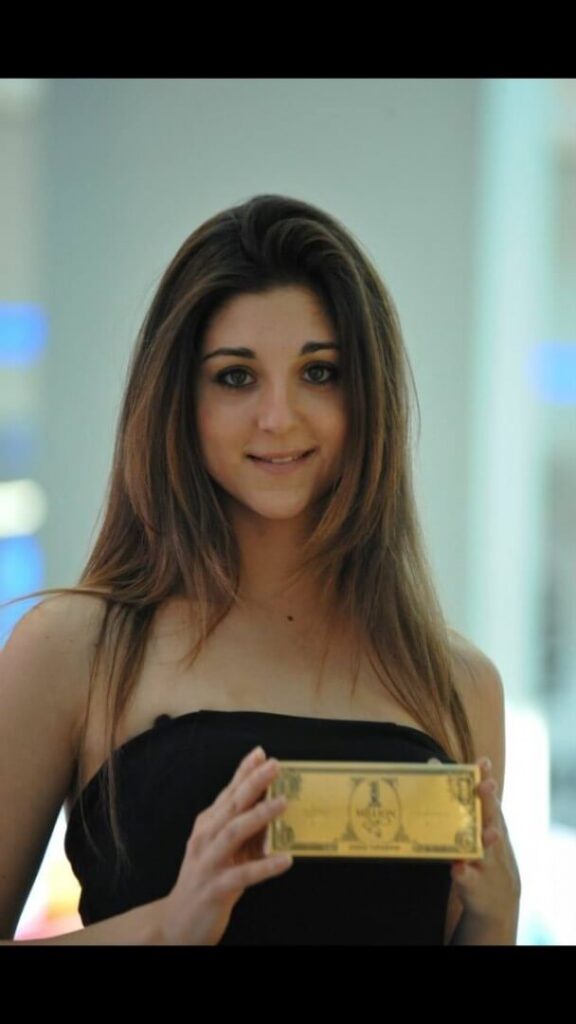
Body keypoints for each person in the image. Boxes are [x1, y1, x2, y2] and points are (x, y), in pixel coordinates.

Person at [0, 194, 521, 945]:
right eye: (236, 377)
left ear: (368, 396)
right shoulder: (74, 652)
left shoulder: (457, 684)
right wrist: (169, 926)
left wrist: (495, 919)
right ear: (179, 398)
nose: (278, 417)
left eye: (320, 371)